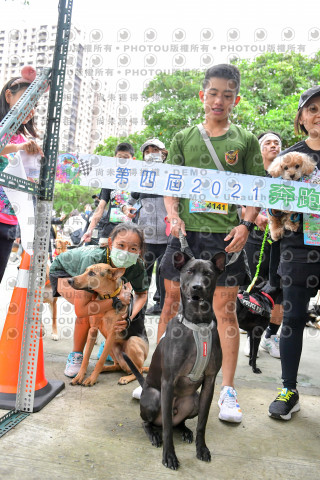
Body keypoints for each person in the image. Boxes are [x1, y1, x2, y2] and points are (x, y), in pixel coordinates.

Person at [159, 64, 265, 423]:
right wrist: (174, 216)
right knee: (172, 303)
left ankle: (228, 391)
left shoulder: (245, 141)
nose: (220, 100)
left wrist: (246, 225)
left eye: (228, 94)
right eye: (214, 93)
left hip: (226, 240)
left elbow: (256, 189)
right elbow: (170, 185)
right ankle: (161, 379)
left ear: (236, 99)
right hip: (186, 237)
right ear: (203, 95)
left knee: (225, 312)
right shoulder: (183, 137)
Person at [268, 86, 320, 421]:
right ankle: (288, 389)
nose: (319, 114)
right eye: (312, 108)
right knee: (293, 317)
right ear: (301, 117)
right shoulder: (288, 158)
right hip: (298, 247)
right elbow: (272, 208)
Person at [49, 223, 149, 377]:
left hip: (104, 285)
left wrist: (128, 318)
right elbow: (81, 309)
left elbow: (142, 294)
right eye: (121, 245)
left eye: (133, 248)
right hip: (65, 273)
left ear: (139, 251)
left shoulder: (137, 266)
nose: (126, 252)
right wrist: (118, 299)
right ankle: (76, 355)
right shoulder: (93, 260)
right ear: (110, 243)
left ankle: (108, 346)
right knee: (90, 312)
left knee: (109, 311)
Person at [242, 131, 283, 359]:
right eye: (267, 142)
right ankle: (253, 335)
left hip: (280, 237)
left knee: (279, 287)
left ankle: (271, 336)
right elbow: (239, 200)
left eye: (276, 143)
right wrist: (252, 217)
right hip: (255, 235)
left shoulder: (287, 175)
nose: (272, 145)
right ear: (260, 149)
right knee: (255, 285)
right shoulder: (252, 173)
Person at [0, 66, 43, 283]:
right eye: (26, 101)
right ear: (9, 95)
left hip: (8, 220)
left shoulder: (22, 140)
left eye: (34, 105)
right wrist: (20, 148)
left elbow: (29, 181)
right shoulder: (13, 139)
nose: (31, 109)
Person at [122, 138, 169, 316]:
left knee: (165, 275)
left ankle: (162, 308)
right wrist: (126, 208)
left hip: (167, 237)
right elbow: (128, 201)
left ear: (164, 154)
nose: (151, 154)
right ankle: (138, 310)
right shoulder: (140, 177)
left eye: (155, 150)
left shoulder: (172, 175)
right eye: (147, 151)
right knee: (143, 274)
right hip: (145, 237)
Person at [81, 143, 134, 247]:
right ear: (114, 159)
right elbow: (100, 207)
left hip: (131, 230)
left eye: (126, 158)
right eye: (119, 158)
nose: (122, 160)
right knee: (104, 260)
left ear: (133, 159)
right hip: (109, 230)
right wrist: (90, 230)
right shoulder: (109, 180)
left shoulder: (138, 181)